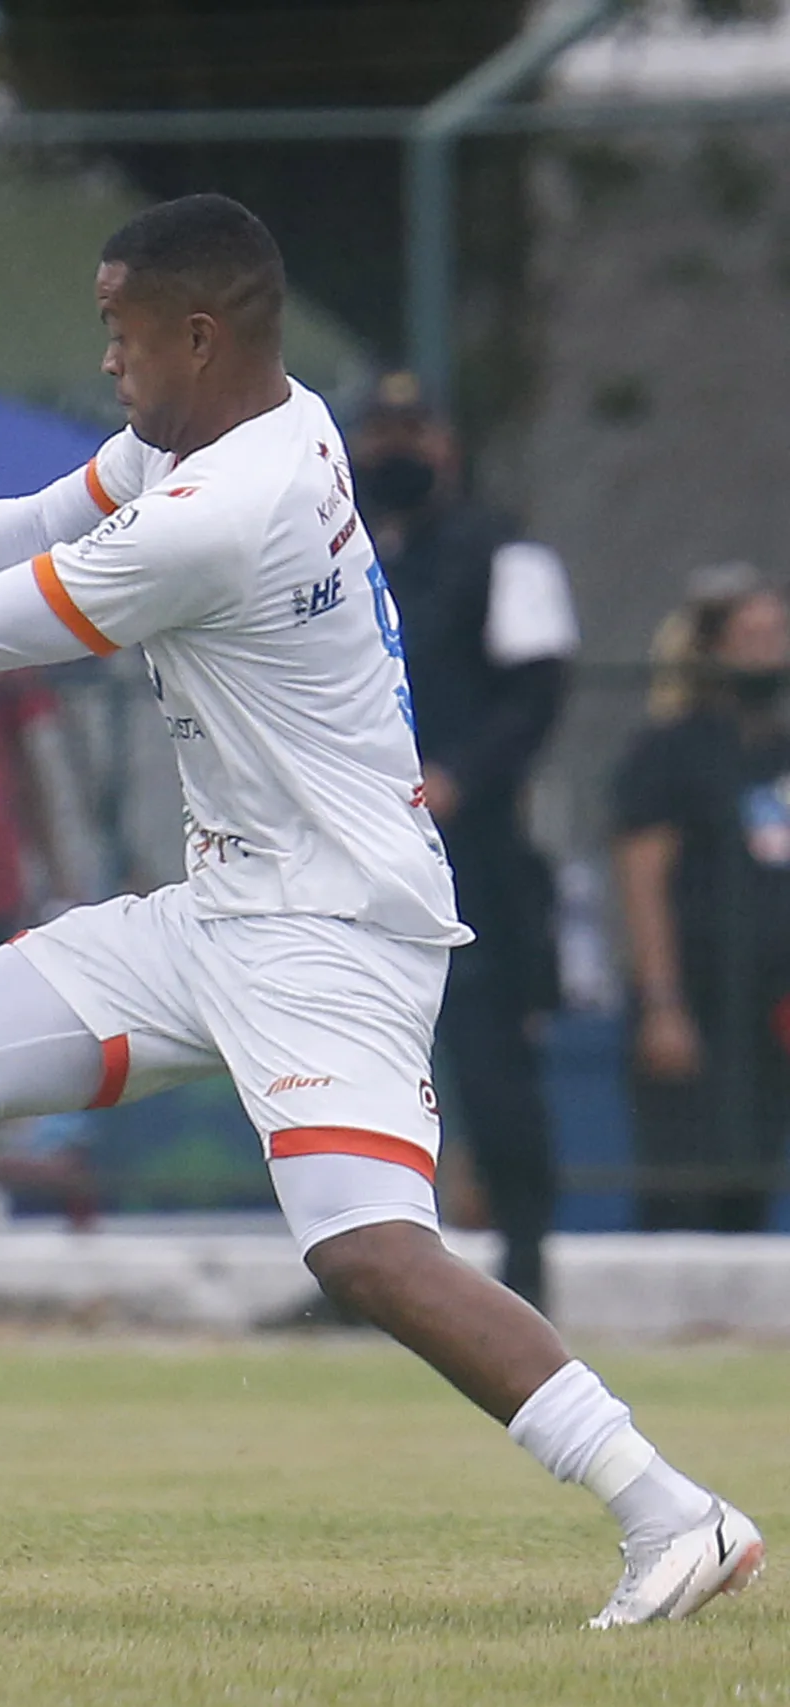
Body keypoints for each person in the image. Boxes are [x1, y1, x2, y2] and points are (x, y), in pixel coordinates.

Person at [0, 194, 764, 1628]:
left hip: (332, 932)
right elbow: (30, 518)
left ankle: (672, 1509)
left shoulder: (226, 508)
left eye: (120, 333)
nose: (108, 361)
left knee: (368, 1251)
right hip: (223, 911)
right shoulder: (225, 431)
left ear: (196, 333)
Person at [352, 372, 574, 1308]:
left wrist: (458, 780)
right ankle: (368, 1278)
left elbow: (538, 692)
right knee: (356, 1067)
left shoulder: (504, 551)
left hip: (471, 853)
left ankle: (525, 1270)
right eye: (382, 431)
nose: (398, 449)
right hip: (358, 847)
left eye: (416, 428)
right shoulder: (340, 547)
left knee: (490, 1060)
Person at [613, 579, 790, 1234]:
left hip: (768, 1005)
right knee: (682, 1178)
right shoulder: (671, 749)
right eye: (752, 637)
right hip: (696, 993)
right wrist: (662, 1000)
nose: (769, 652)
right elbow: (642, 875)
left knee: (752, 1172)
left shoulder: (777, 750)